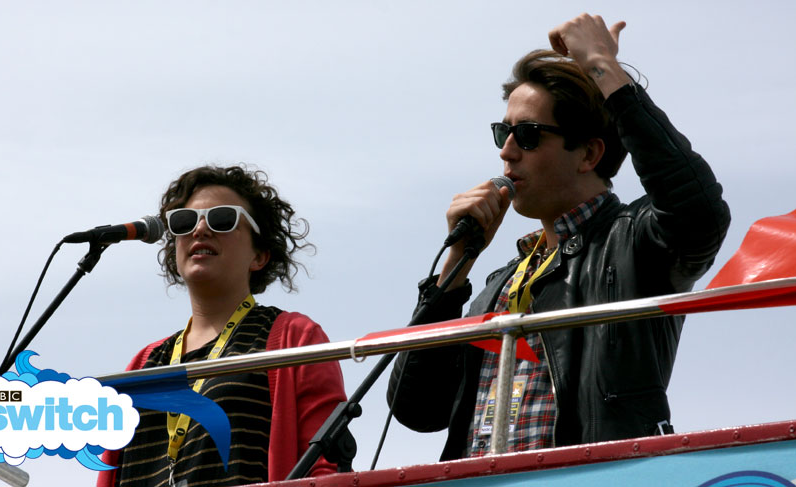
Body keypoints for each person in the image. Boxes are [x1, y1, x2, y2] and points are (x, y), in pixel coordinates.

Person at [387, 14, 731, 461]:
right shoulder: (500, 280)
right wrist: (457, 263)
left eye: (527, 135)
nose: (506, 151)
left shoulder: (633, 242)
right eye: (503, 131)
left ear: (588, 153)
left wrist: (603, 66)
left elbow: (698, 210)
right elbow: (417, 409)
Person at [97, 165, 347, 486]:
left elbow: (325, 469)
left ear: (259, 255)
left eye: (223, 219)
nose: (200, 230)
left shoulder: (294, 338)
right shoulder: (145, 361)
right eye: (185, 223)